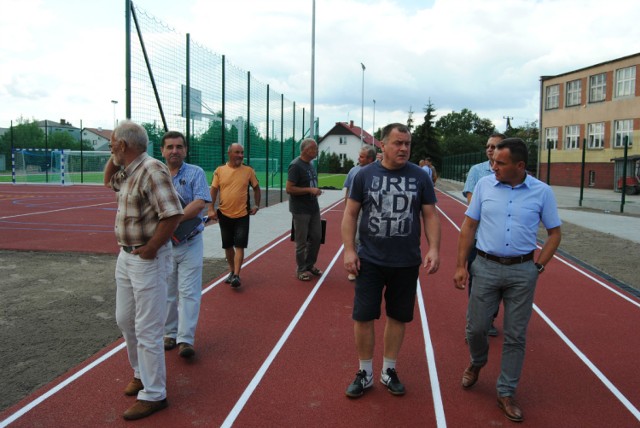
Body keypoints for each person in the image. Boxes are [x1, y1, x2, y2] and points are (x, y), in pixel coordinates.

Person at [453, 138, 562, 423]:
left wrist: (538, 267)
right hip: (485, 266)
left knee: (516, 335)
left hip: (522, 272)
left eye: (500, 163)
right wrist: (461, 265)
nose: (494, 167)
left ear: (520, 165)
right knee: (475, 329)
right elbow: (469, 226)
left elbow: (554, 234)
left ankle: (506, 392)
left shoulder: (542, 192)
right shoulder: (484, 186)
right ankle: (477, 362)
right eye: (493, 162)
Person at [342, 123, 441, 398]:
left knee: (398, 316)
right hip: (370, 259)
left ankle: (388, 369)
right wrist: (349, 250)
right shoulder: (364, 176)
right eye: (398, 143)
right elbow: (350, 214)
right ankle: (365, 372)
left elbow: (430, 215)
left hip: (406, 261)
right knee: (363, 316)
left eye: (407, 143)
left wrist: (434, 248)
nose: (404, 148)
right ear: (382, 145)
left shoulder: (420, 177)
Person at [103, 120, 183, 420]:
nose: (110, 146)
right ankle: (140, 372)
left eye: (113, 142)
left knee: (148, 328)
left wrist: (151, 248)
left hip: (148, 258)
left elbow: (172, 214)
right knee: (125, 319)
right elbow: (107, 181)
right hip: (126, 257)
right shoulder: (128, 170)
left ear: (124, 144)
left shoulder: (152, 169)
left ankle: (154, 393)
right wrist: (116, 157)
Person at [160, 131, 211, 359]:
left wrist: (174, 220)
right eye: (170, 147)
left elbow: (200, 202)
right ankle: (169, 334)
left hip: (190, 242)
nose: (174, 151)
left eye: (179, 147)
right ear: (162, 150)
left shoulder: (195, 173)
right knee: (168, 292)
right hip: (165, 244)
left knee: (189, 292)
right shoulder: (156, 175)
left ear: (185, 150)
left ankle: (186, 339)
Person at [462, 133, 506, 336]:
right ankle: (475, 320)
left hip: (501, 238)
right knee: (477, 279)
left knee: (499, 283)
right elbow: (471, 200)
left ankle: (489, 317)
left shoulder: (510, 172)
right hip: (479, 236)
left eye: (494, 146)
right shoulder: (477, 171)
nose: (489, 149)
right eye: (487, 146)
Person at [207, 143, 261, 288]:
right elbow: (213, 190)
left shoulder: (248, 171)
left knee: (240, 245)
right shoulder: (219, 171)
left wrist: (256, 205)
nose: (240, 155)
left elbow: (256, 188)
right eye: (237, 152)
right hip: (224, 214)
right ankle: (231, 272)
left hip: (243, 214)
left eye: (242, 152)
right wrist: (211, 208)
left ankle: (236, 275)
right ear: (229, 153)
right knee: (228, 246)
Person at [286, 138, 324, 282]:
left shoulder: (310, 164)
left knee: (316, 237)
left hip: (313, 207)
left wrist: (315, 191)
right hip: (300, 210)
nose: (317, 151)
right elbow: (289, 189)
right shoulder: (296, 166)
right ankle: (301, 269)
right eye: (315, 148)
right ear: (307, 150)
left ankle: (309, 265)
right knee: (301, 241)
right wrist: (309, 189)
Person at [342, 145, 377, 281]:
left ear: (370, 159)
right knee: (355, 238)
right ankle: (354, 268)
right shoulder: (354, 170)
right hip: (356, 209)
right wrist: (346, 208)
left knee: (371, 237)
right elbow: (348, 191)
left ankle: (372, 265)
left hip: (372, 210)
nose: (358, 158)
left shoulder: (377, 171)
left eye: (362, 157)